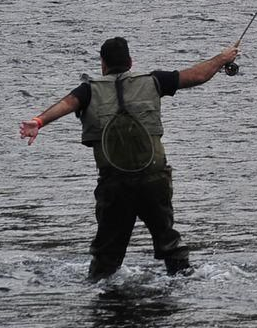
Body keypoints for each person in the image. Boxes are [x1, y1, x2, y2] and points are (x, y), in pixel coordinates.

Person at [19, 38, 239, 280]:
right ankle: (184, 281)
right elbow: (196, 76)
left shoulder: (89, 90)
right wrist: (222, 59)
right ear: (130, 62)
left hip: (114, 186)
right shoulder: (154, 81)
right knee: (169, 245)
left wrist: (38, 122)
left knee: (105, 259)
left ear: (102, 64)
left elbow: (64, 105)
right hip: (154, 182)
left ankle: (103, 293)